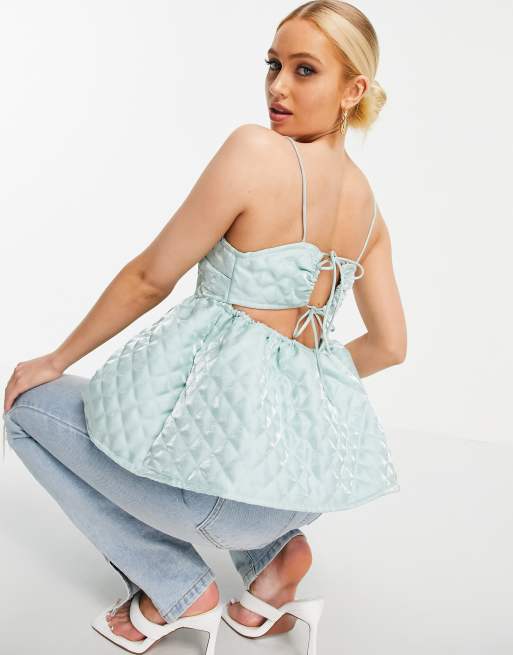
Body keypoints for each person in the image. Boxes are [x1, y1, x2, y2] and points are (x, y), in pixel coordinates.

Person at [2, 1, 406, 653]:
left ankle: (178, 588)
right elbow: (390, 346)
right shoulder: (368, 209)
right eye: (272, 64)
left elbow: (149, 278)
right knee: (231, 438)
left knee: (25, 410)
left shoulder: (255, 151)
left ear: (353, 89)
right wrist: (301, 384)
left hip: (208, 501)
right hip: (295, 494)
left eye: (304, 70)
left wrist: (56, 358)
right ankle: (274, 555)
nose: (277, 86)